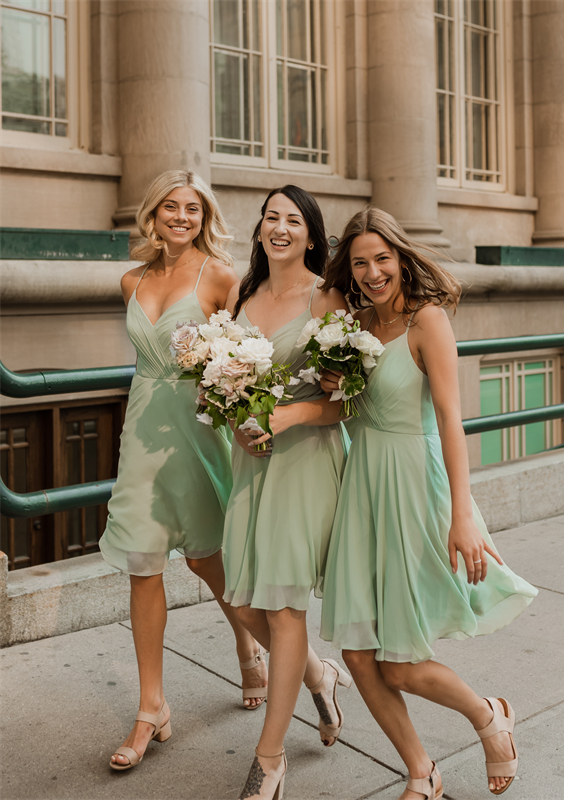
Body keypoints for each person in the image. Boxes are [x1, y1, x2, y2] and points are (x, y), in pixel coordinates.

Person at [319, 207, 538, 799]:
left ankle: (489, 716)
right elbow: (343, 410)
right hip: (361, 488)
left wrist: (462, 513)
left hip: (415, 487)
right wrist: (332, 387)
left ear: (401, 257)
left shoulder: (427, 320)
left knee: (399, 660)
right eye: (360, 262)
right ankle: (422, 770)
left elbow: (450, 420)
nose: (371, 272)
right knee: (359, 656)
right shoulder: (351, 325)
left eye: (381, 259)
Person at [99, 170, 267, 772]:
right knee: (143, 564)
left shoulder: (221, 276)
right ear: (153, 215)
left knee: (206, 558)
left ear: (205, 217)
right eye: (170, 206)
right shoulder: (131, 279)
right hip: (143, 427)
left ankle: (251, 648)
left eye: (192, 209)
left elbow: (247, 356)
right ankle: (152, 708)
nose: (181, 216)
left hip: (197, 431)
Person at [223, 186, 352, 800]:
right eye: (271, 217)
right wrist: (235, 424)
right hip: (249, 462)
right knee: (243, 599)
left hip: (304, 460)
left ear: (310, 234)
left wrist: (287, 418)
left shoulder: (327, 296)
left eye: (292, 220)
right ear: (259, 230)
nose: (279, 228)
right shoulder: (239, 295)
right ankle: (319, 677)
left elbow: (347, 403)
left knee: (281, 607)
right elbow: (218, 383)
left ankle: (269, 761)